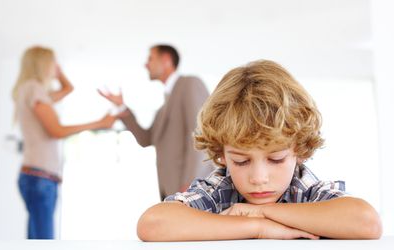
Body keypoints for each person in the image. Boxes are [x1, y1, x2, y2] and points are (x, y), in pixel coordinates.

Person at [136, 60, 382, 241]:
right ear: (222, 154)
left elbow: (366, 222)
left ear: (300, 150)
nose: (259, 178)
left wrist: (260, 211)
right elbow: (154, 224)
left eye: (276, 158)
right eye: (242, 161)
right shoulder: (221, 189)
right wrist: (257, 227)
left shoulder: (305, 189)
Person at [12, 46, 116, 239]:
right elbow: (56, 131)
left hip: (35, 177)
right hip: (40, 178)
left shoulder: (30, 90)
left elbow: (69, 88)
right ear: (43, 64)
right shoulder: (34, 89)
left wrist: (58, 73)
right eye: (53, 62)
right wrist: (99, 123)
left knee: (35, 240)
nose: (56, 67)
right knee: (44, 241)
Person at [99, 44, 212, 200]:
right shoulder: (162, 109)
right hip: (171, 190)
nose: (146, 64)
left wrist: (191, 184)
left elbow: (201, 135)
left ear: (166, 60)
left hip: (190, 190)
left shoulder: (189, 83)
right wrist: (121, 107)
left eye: (150, 59)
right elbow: (145, 139)